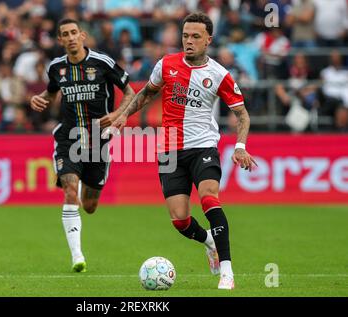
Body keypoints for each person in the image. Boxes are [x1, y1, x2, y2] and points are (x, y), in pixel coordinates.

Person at [109, 12, 257, 290]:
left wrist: (240, 146)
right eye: (185, 35)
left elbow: (243, 114)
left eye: (195, 37)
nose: (189, 41)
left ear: (208, 40)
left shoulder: (219, 74)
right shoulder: (166, 64)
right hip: (169, 150)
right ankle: (209, 241)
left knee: (209, 197)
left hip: (203, 146)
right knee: (179, 219)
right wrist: (123, 115)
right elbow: (147, 93)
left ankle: (227, 271)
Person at [30, 18, 135, 273]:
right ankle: (77, 256)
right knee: (69, 190)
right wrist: (39, 98)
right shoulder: (56, 67)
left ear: (83, 35)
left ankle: (79, 201)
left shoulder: (103, 63)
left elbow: (131, 93)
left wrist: (120, 114)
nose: (70, 37)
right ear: (60, 40)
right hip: (68, 138)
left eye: (74, 32)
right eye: (64, 34)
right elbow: (51, 92)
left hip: (99, 139)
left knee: (89, 206)